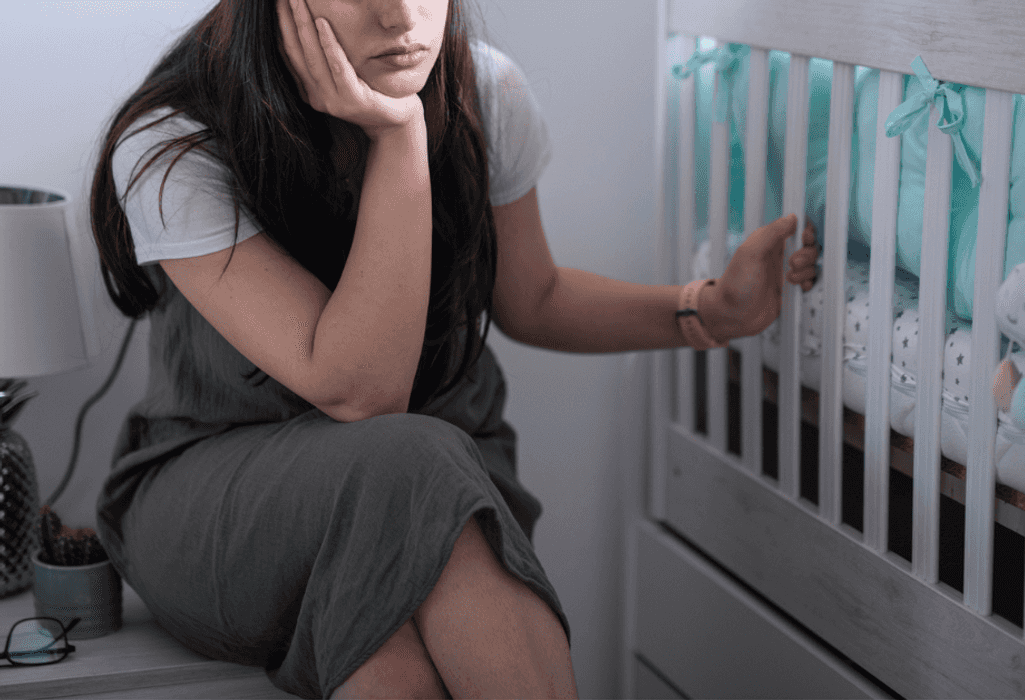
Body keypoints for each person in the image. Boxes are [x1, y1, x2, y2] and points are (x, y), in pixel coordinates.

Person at [88, 0, 820, 697]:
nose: (401, 17)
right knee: (413, 454)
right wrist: (400, 133)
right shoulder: (175, 138)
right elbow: (362, 392)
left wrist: (709, 309)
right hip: (228, 498)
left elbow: (531, 298)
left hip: (440, 478)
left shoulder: (483, 91)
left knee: (395, 679)